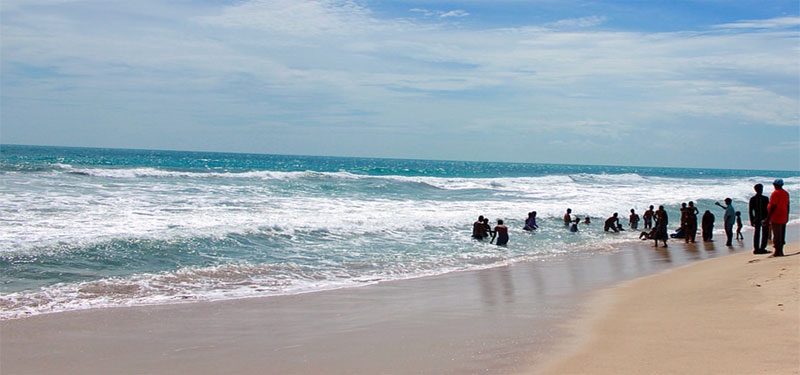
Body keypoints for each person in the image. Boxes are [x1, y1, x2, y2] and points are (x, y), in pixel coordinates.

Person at [765, 179, 790, 257]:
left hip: (776, 216)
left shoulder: (775, 193)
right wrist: (787, 215)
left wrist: (768, 217)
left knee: (776, 235)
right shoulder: (786, 193)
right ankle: (781, 251)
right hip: (783, 216)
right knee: (781, 234)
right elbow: (787, 205)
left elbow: (773, 206)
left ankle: (777, 252)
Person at [749, 184, 770, 254]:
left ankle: (756, 248)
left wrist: (751, 220)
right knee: (765, 233)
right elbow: (768, 209)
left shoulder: (752, 199)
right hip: (764, 218)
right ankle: (762, 248)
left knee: (757, 234)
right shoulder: (765, 198)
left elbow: (750, 211)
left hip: (757, 218)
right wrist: (768, 218)